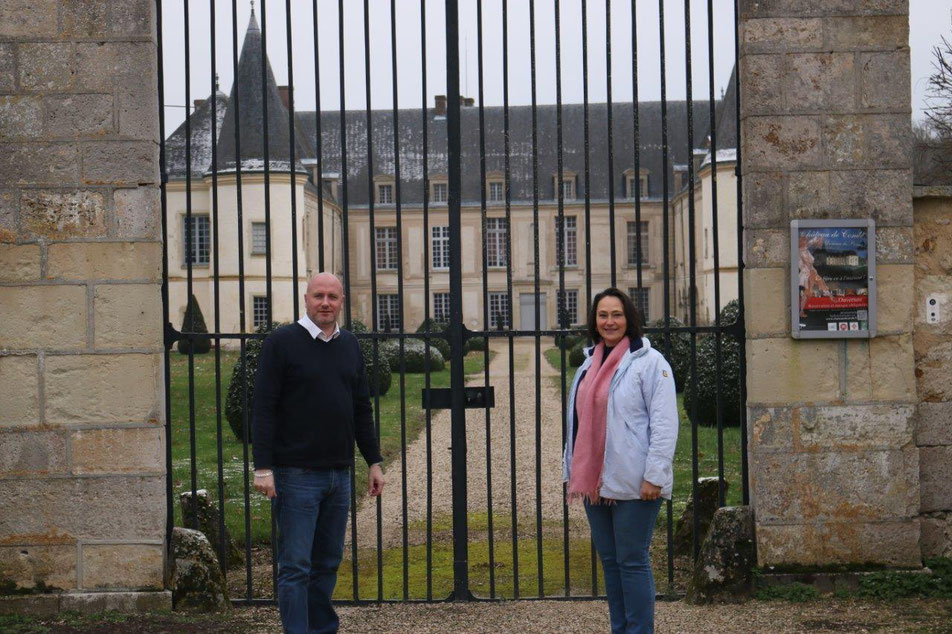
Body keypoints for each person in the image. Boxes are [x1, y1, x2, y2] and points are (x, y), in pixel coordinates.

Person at [252, 272, 385, 634]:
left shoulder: (350, 345)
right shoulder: (281, 343)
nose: (325, 303)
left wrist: (373, 461)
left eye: (332, 296)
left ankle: (321, 629)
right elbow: (263, 407)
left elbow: (361, 408)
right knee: (296, 566)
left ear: (342, 301)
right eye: (318, 296)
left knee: (327, 562)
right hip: (297, 475)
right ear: (306, 299)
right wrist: (263, 467)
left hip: (338, 476)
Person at [563, 288, 678, 634]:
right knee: (611, 564)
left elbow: (665, 423)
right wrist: (571, 469)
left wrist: (655, 476)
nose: (609, 321)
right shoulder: (589, 363)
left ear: (629, 318)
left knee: (632, 561)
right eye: (603, 315)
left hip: (635, 480)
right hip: (596, 482)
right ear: (594, 321)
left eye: (616, 314)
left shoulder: (650, 361)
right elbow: (578, 422)